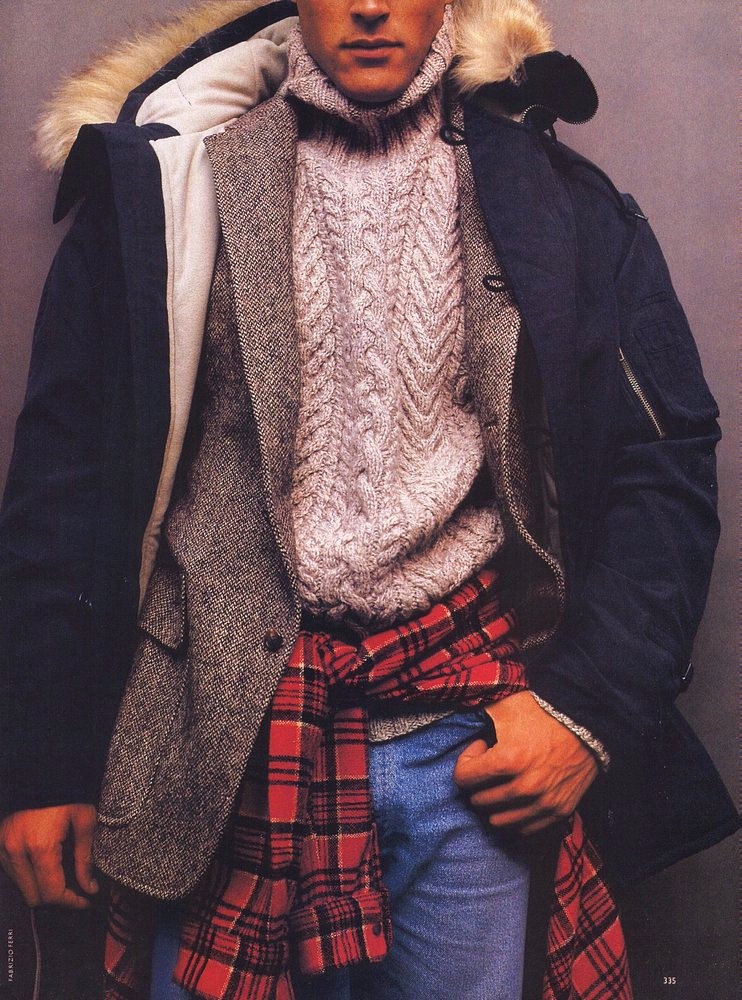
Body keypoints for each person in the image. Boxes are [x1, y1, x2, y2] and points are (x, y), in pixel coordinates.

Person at [0, 0, 738, 997]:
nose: (372, 5)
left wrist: (586, 708)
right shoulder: (169, 180)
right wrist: (44, 757)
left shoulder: (550, 193)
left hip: (470, 743)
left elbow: (665, 456)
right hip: (224, 748)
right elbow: (64, 477)